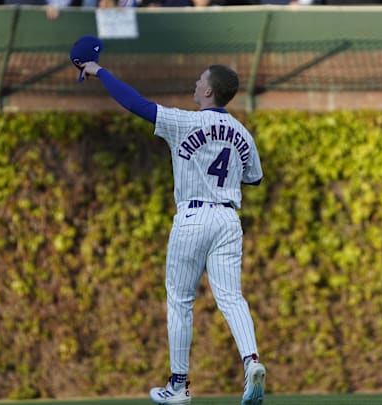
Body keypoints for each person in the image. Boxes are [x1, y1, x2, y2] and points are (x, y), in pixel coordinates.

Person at [77, 50, 267, 405]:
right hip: (228, 219)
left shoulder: (185, 122)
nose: (196, 83)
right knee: (231, 297)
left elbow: (136, 104)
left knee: (180, 301)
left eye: (200, 80)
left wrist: (100, 71)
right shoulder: (243, 133)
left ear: (209, 91)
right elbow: (254, 178)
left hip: (193, 217)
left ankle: (178, 386)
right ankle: (252, 360)